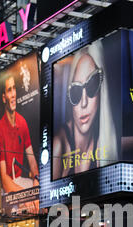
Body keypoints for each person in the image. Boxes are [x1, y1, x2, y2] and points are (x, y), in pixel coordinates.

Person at [52, 42, 117, 180]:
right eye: (76, 91)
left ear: (102, 91)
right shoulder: (59, 146)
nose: (84, 102)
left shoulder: (104, 144)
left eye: (92, 86)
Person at [0, 73, 39, 211]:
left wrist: (37, 180)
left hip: (20, 182)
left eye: (14, 89)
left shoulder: (22, 122)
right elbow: (5, 179)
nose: (13, 94)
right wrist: (25, 197)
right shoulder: (0, 129)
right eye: (9, 90)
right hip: (9, 189)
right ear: (4, 98)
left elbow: (32, 162)